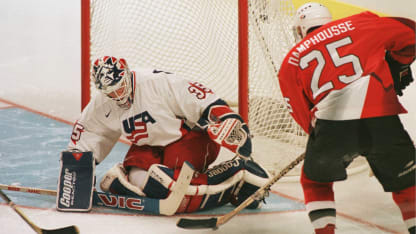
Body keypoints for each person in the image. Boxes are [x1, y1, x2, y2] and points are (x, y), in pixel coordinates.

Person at [60, 56, 270, 213]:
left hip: (190, 139)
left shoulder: (156, 83)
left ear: (127, 74)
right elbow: (89, 131)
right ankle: (168, 185)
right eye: (110, 92)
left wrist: (222, 116)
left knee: (166, 188)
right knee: (143, 180)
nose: (118, 95)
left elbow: (199, 96)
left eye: (120, 87)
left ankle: (238, 174)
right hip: (150, 146)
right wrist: (76, 166)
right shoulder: (102, 104)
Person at [278, 2, 415, 234]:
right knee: (407, 182)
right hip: (382, 119)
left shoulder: (290, 61)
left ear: (301, 29)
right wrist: (398, 65)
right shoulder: (361, 23)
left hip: (332, 125)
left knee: (315, 183)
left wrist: (317, 137)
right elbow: (410, 35)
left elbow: (300, 111)